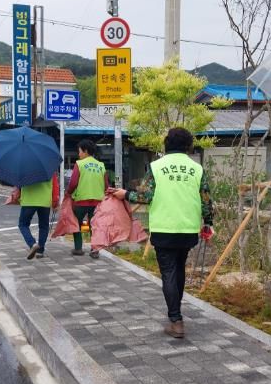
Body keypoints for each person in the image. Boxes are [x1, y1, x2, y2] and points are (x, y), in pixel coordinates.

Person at [112, 128, 213, 338]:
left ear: (167, 144)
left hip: (163, 228)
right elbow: (206, 200)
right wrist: (208, 223)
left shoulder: (156, 167)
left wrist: (125, 194)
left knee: (168, 272)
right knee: (179, 269)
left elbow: (145, 196)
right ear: (188, 146)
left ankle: (176, 320)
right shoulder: (197, 169)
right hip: (188, 228)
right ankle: (177, 314)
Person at [66, 139, 108, 258]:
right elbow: (106, 185)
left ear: (85, 151)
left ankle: (78, 248)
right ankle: (95, 250)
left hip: (81, 201)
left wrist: (68, 193)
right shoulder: (101, 165)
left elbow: (73, 183)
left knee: (76, 223)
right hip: (97, 201)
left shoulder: (79, 164)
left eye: (79, 151)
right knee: (94, 226)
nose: (78, 154)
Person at [18, 174, 59, 260]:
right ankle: (40, 251)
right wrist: (55, 203)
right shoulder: (50, 169)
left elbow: (19, 183)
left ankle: (32, 244)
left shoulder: (24, 168)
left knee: (23, 224)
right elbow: (55, 186)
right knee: (44, 226)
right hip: (45, 201)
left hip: (28, 200)